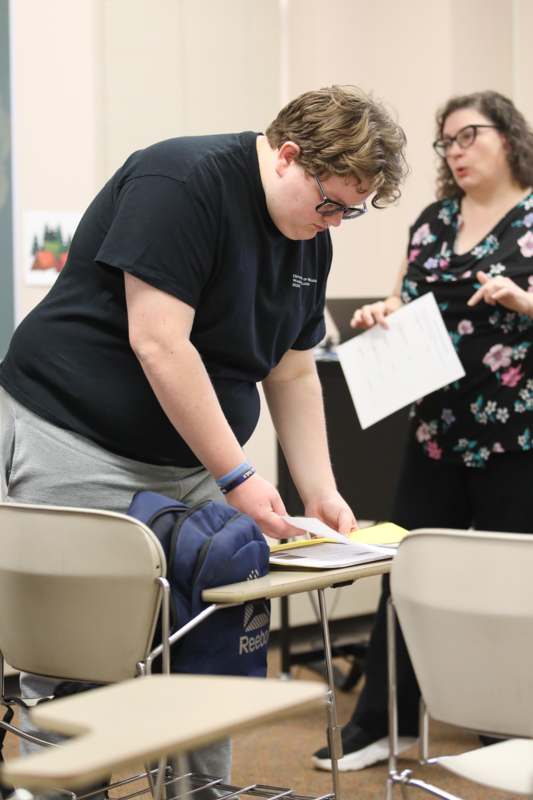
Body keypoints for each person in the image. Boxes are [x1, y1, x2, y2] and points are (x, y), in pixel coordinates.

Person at [0, 85, 407, 783]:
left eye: (352, 210)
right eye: (331, 204)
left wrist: (321, 490)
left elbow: (292, 373)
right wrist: (240, 478)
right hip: (73, 433)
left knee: (205, 659)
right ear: (286, 157)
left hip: (184, 463)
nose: (336, 222)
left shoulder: (308, 239)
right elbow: (160, 345)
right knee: (82, 667)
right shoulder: (181, 181)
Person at [312, 89, 533, 773]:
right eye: (446, 142)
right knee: (406, 573)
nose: (455, 151)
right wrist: (382, 312)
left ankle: (508, 724)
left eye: (468, 135)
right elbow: (406, 298)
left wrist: (522, 300)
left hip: (517, 437)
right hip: (435, 427)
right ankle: (384, 722)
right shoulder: (434, 220)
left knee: (506, 582)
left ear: (509, 136)